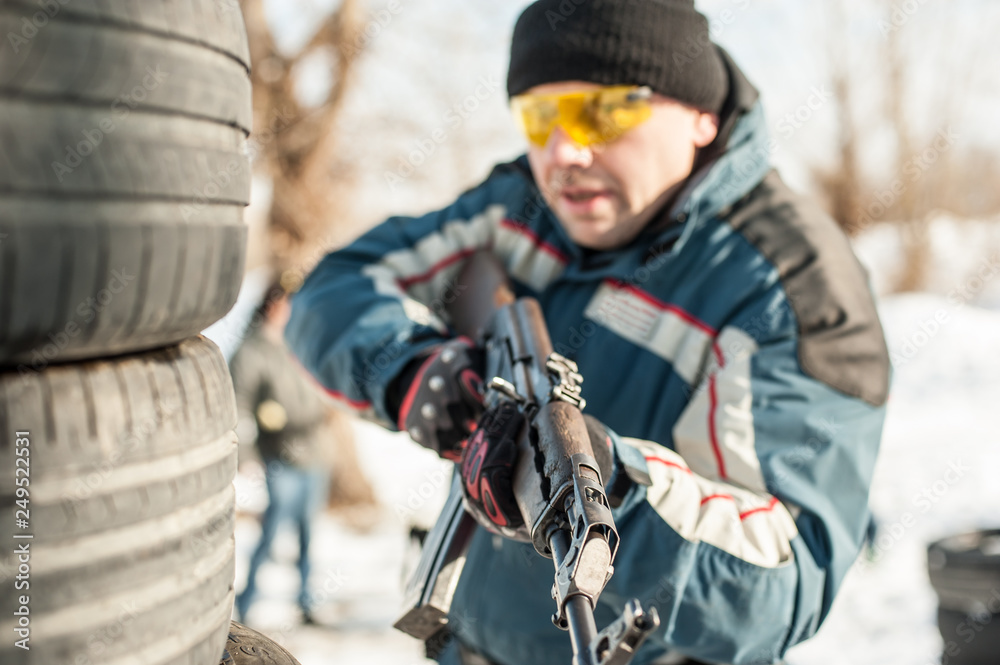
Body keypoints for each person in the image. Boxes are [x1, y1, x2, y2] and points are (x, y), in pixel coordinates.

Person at [284, 1, 891, 663]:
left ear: (700, 115)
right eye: (540, 116)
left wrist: (612, 487)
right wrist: (408, 375)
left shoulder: (795, 287)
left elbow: (790, 577)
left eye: (604, 112)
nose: (565, 151)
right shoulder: (520, 207)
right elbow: (332, 287)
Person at [232, 277, 332, 625]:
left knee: (308, 534)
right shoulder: (250, 352)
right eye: (285, 303)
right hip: (280, 458)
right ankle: (246, 606)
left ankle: (306, 603)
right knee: (272, 534)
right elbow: (239, 407)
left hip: (315, 454)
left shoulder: (297, 344)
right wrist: (246, 455)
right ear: (272, 305)